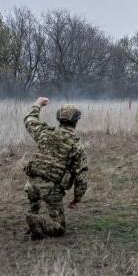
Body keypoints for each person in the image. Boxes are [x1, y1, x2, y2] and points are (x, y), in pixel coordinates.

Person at [22, 97, 88, 240]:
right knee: (59, 229)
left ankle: (34, 214)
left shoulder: (45, 133)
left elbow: (29, 120)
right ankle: (36, 221)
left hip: (31, 185)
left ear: (59, 119)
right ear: (76, 121)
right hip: (51, 190)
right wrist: (77, 199)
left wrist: (38, 104)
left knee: (35, 198)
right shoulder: (76, 145)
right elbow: (81, 177)